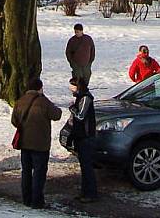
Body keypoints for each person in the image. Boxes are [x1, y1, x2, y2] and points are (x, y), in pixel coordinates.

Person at [11, 77, 62, 210]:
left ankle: (26, 199)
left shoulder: (20, 101)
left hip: (24, 143)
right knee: (39, 173)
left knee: (26, 172)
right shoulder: (43, 102)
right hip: (41, 144)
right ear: (40, 88)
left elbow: (14, 121)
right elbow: (57, 115)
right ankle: (37, 201)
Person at [68, 77, 97, 203]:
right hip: (81, 136)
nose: (71, 89)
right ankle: (85, 192)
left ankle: (91, 193)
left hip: (86, 137)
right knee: (84, 167)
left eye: (72, 86)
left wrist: (72, 109)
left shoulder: (86, 98)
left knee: (87, 167)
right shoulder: (81, 97)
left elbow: (80, 116)